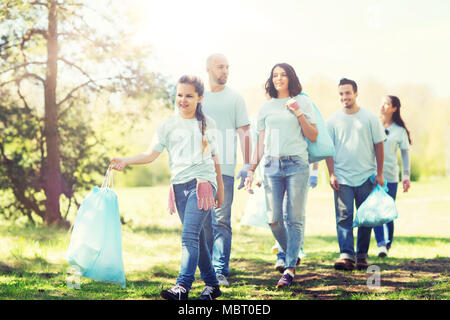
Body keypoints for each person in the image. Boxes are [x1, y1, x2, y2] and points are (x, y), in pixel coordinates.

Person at [110, 75, 224, 300]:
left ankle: (182, 286)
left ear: (200, 98)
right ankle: (212, 285)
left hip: (202, 185)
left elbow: (215, 158)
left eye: (189, 96)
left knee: (189, 235)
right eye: (180, 95)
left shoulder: (208, 124)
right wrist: (126, 160)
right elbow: (150, 154)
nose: (183, 100)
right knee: (197, 238)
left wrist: (220, 188)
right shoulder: (167, 125)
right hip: (179, 188)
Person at [245, 63, 318, 288]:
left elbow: (313, 136)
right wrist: (250, 169)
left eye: (283, 74)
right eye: (275, 75)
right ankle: (292, 254)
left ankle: (289, 269)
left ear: (291, 78)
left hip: (297, 164)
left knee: (294, 218)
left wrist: (298, 113)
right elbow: (259, 143)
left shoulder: (304, 102)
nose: (279, 78)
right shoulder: (266, 108)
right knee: (273, 218)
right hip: (271, 167)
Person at [199, 53, 251, 286]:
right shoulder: (198, 98)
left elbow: (245, 133)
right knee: (204, 222)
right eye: (221, 67)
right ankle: (208, 269)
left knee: (221, 221)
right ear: (208, 69)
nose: (226, 71)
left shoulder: (236, 99)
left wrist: (248, 165)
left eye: (228, 67)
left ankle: (220, 270)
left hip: (226, 169)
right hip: (199, 170)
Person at [325, 78, 386, 271]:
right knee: (344, 217)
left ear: (356, 93)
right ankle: (346, 255)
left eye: (348, 93)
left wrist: (380, 173)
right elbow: (329, 150)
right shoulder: (333, 120)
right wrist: (332, 174)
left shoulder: (370, 118)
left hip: (366, 176)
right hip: (342, 178)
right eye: (341, 94)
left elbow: (379, 145)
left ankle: (361, 256)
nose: (344, 97)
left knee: (365, 218)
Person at [374, 95, 411, 258]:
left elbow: (405, 154)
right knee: (376, 210)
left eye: (387, 104)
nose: (383, 106)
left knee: (387, 211)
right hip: (373, 175)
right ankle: (381, 244)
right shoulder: (374, 125)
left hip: (391, 176)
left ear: (394, 108)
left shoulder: (400, 130)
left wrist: (406, 176)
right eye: (381, 103)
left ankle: (387, 245)